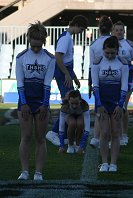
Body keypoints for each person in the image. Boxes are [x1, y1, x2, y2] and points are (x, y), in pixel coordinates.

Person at [16, 21, 55, 180]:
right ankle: (24, 171)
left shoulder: (49, 58)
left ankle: (38, 172)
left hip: (41, 102)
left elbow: (47, 84)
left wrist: (45, 105)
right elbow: (20, 83)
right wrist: (24, 103)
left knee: (40, 138)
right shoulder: (21, 57)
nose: (36, 49)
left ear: (44, 41)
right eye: (33, 46)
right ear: (29, 40)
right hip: (25, 101)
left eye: (39, 46)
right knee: (25, 137)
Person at [46, 15, 88, 146]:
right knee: (68, 103)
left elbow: (67, 61)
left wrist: (74, 77)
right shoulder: (66, 38)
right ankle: (53, 133)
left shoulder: (67, 37)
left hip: (65, 72)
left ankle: (60, 133)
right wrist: (67, 75)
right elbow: (58, 57)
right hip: (62, 73)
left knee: (70, 103)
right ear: (75, 25)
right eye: (81, 29)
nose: (81, 32)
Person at [91, 36, 129, 172]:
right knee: (104, 132)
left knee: (115, 132)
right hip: (102, 102)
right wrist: (99, 104)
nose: (110, 55)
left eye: (113, 53)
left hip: (116, 102)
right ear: (103, 50)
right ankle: (104, 162)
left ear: (117, 51)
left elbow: (124, 86)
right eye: (107, 53)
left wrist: (120, 105)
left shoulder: (123, 64)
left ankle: (113, 163)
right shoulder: (97, 63)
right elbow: (95, 86)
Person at [112, 21, 133, 146]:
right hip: (112, 78)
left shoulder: (130, 45)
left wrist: (125, 70)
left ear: (124, 31)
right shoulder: (108, 44)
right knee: (112, 107)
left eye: (121, 30)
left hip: (127, 78)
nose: (118, 32)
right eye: (116, 30)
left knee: (123, 107)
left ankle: (124, 134)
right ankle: (113, 133)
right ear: (112, 31)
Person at [89, 15, 113, 149]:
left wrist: (90, 83)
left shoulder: (94, 44)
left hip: (98, 79)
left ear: (99, 29)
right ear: (111, 28)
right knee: (111, 111)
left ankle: (96, 138)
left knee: (100, 110)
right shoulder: (115, 42)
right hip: (112, 78)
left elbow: (91, 66)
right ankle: (108, 140)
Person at [57, 90, 90, 154]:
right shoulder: (64, 106)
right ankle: (70, 144)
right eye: (72, 104)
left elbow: (87, 128)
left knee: (80, 124)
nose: (74, 106)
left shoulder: (85, 106)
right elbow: (61, 127)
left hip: (80, 115)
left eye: (76, 103)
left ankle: (78, 144)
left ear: (80, 101)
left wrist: (81, 146)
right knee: (72, 123)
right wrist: (61, 146)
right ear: (68, 101)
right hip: (69, 115)